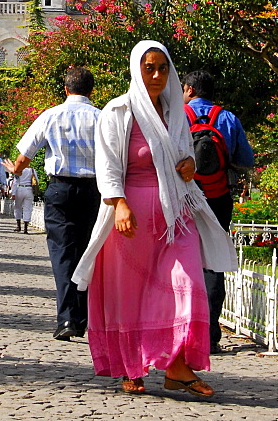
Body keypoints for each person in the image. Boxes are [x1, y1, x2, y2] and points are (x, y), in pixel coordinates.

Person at [72, 41, 237, 397]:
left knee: (188, 282)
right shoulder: (118, 111)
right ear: (136, 69)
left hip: (175, 213)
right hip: (130, 217)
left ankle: (177, 365)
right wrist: (118, 204)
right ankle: (132, 366)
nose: (158, 75)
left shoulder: (176, 111)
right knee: (130, 293)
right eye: (150, 68)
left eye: (163, 67)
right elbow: (108, 164)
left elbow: (182, 155)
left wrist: (190, 164)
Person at [8, 65, 100, 340]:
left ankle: (67, 318)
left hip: (60, 189)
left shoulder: (50, 116)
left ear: (66, 89)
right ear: (91, 91)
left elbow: (24, 156)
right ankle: (83, 317)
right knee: (87, 251)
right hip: (93, 190)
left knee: (62, 253)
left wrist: (16, 170)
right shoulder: (102, 117)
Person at [183, 69, 255, 353]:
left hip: (185, 198)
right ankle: (211, 334)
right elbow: (246, 159)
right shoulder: (228, 118)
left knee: (181, 258)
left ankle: (183, 330)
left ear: (189, 89)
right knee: (213, 262)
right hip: (217, 195)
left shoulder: (178, 118)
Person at [11, 164, 38, 233]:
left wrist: (13, 193)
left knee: (17, 207)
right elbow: (36, 180)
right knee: (27, 208)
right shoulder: (32, 170)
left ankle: (18, 225)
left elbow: (15, 182)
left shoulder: (19, 170)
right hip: (29, 189)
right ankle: (25, 227)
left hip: (19, 188)